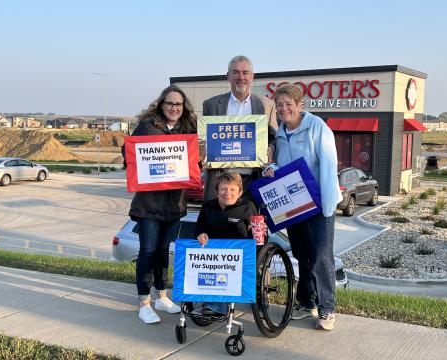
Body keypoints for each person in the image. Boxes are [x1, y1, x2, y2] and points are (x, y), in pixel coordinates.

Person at [263, 84, 342, 331]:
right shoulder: (281, 134)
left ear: (300, 105)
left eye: (289, 104)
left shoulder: (317, 127)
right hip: (295, 206)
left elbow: (329, 166)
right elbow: (285, 169)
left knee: (321, 257)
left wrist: (328, 207)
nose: (284, 108)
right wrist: (271, 169)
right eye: (279, 105)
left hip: (320, 205)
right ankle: (307, 302)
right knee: (302, 255)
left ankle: (327, 310)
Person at [128, 85, 197, 324]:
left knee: (163, 250)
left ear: (183, 107)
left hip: (174, 204)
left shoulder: (188, 129)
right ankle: (144, 303)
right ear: (161, 104)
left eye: (178, 104)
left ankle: (161, 296)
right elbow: (130, 159)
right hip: (149, 203)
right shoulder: (147, 128)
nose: (174, 108)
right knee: (147, 251)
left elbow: (194, 161)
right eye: (169, 103)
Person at [202, 55, 278, 201]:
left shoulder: (266, 105)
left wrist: (270, 148)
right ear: (228, 76)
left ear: (252, 76)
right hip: (220, 181)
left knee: (250, 223)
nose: (240, 77)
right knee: (217, 224)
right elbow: (204, 141)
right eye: (235, 72)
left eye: (245, 73)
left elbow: (274, 138)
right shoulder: (211, 105)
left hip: (252, 180)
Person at [195, 172, 258, 316]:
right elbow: (199, 228)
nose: (227, 193)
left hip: (239, 257)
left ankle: (216, 307)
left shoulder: (248, 207)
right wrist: (201, 234)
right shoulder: (208, 207)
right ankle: (211, 304)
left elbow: (260, 239)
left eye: (232, 189)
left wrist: (254, 232)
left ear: (240, 192)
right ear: (216, 191)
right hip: (212, 256)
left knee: (224, 270)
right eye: (223, 189)